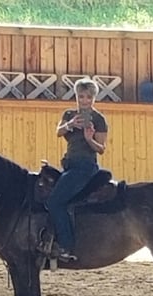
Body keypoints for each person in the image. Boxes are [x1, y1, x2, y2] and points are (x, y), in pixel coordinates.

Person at [46, 77, 108, 261]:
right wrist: (70, 124)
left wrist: (90, 139)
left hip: (85, 166)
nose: (84, 101)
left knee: (55, 202)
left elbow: (101, 149)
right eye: (81, 97)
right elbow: (59, 131)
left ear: (94, 98)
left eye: (88, 97)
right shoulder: (69, 114)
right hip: (69, 164)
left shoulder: (99, 119)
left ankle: (66, 245)